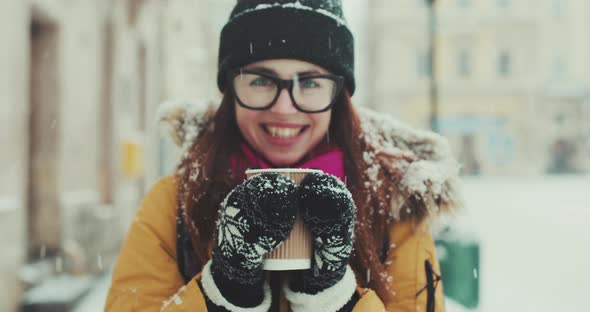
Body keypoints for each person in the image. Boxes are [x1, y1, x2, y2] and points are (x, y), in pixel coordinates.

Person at [105, 0, 462, 311]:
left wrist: (334, 300)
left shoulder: (394, 207)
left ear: (338, 96)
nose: (284, 107)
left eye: (309, 83)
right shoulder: (174, 205)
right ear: (230, 88)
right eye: (261, 80)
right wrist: (224, 293)